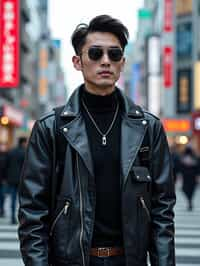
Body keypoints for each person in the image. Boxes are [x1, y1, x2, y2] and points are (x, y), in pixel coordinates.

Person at [18, 15, 176, 266]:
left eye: (114, 54)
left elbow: (162, 212)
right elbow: (32, 213)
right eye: (95, 53)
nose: (105, 61)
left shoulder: (148, 127)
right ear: (77, 62)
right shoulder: (51, 127)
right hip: (71, 260)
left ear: (123, 62)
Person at [6, 137, 27, 224]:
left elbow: (5, 165)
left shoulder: (11, 152)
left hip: (11, 178)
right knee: (22, 200)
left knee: (13, 198)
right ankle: (21, 218)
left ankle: (12, 217)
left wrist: (5, 177)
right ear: (23, 143)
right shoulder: (25, 152)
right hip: (21, 179)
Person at [179, 146, 200, 211]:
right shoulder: (194, 158)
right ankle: (189, 201)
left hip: (189, 177)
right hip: (189, 177)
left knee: (188, 189)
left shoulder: (194, 158)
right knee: (188, 189)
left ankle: (189, 201)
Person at [0, 143, 8, 217]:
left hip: (4, 180)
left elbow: (8, 168)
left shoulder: (7, 155)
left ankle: (2, 210)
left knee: (2, 196)